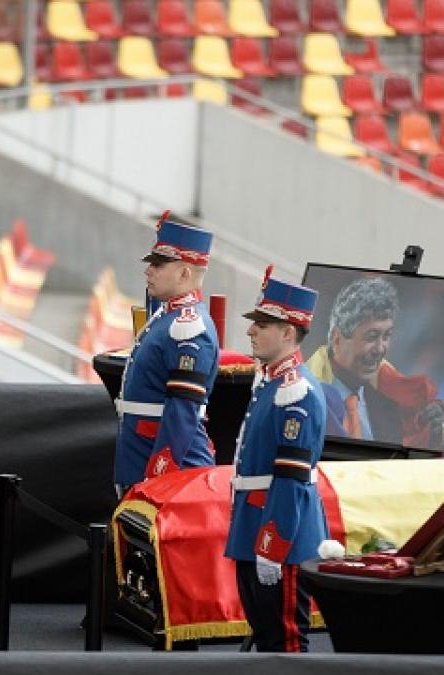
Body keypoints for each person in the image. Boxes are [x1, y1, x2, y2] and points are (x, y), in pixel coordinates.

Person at [226, 267, 327, 653]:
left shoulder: (295, 391)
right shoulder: (271, 382)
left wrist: (273, 543)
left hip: (277, 531)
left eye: (263, 324)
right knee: (267, 636)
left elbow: (291, 480)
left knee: (285, 642)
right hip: (255, 521)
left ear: (288, 332)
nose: (251, 331)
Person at [113, 214, 219, 495]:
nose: (148, 271)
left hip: (170, 468)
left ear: (185, 273)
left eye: (158, 265)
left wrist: (160, 473)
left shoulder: (189, 328)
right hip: (142, 456)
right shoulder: (169, 317)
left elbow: (182, 412)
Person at [305, 276, 440, 448]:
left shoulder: (390, 409)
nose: (380, 348)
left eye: (386, 336)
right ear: (337, 339)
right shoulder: (307, 396)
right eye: (371, 336)